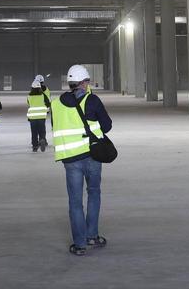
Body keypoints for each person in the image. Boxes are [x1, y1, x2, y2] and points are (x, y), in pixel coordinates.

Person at [53, 64, 112, 256]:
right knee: (94, 193)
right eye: (87, 81)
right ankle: (92, 236)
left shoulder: (56, 104)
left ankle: (79, 245)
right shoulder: (92, 100)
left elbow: (57, 127)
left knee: (75, 201)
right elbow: (107, 126)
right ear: (83, 83)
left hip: (70, 160)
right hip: (92, 156)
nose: (88, 85)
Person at [27, 79, 51, 152]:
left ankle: (35, 146)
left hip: (32, 117)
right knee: (42, 131)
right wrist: (46, 110)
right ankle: (42, 139)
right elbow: (48, 104)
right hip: (41, 116)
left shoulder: (29, 96)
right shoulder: (43, 95)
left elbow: (28, 104)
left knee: (34, 132)